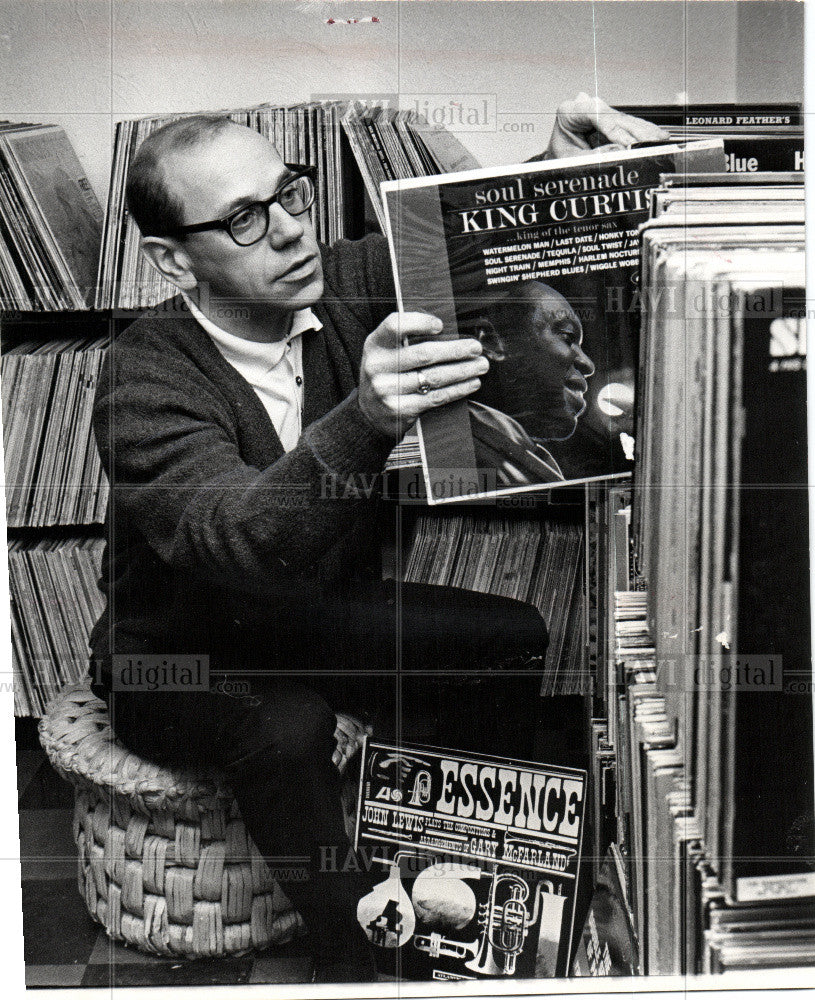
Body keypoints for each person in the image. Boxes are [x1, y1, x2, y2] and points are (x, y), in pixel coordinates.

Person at [88, 95, 667, 982]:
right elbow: (237, 539)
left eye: (290, 195)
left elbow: (458, 243)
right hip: (174, 653)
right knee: (288, 725)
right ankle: (358, 962)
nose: (288, 232)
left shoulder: (340, 282)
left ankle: (507, 878)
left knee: (513, 635)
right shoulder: (145, 368)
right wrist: (366, 418)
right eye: (244, 219)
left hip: (307, 620)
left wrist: (552, 170)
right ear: (173, 258)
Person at [467, 280, 596, 487]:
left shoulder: (507, 448)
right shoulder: (463, 448)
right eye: (566, 336)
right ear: (492, 341)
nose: (588, 364)